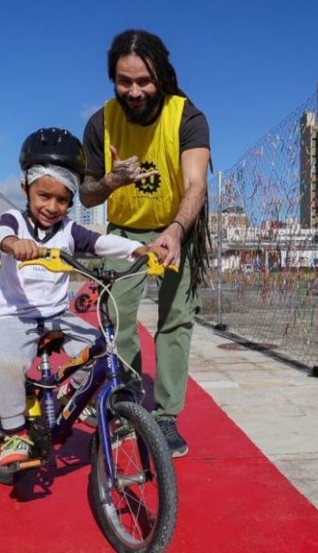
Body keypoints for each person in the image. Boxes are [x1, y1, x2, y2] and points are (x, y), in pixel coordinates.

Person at [0, 127, 163, 467]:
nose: (52, 206)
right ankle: (14, 433)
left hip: (56, 315)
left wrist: (139, 250)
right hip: (16, 315)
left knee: (101, 349)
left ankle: (73, 398)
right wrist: (14, 244)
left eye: (63, 199)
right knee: (7, 364)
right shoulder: (16, 222)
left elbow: (101, 243)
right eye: (44, 196)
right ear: (25, 188)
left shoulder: (69, 230)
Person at [79, 29, 211, 458]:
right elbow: (86, 194)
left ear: (161, 75)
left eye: (144, 81)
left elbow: (196, 183)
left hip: (176, 227)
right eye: (124, 81)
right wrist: (111, 181)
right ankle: (131, 395)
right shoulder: (100, 121)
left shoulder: (187, 116)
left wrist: (176, 229)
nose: (134, 91)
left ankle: (167, 416)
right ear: (112, 78)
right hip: (124, 232)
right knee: (118, 317)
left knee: (175, 320)